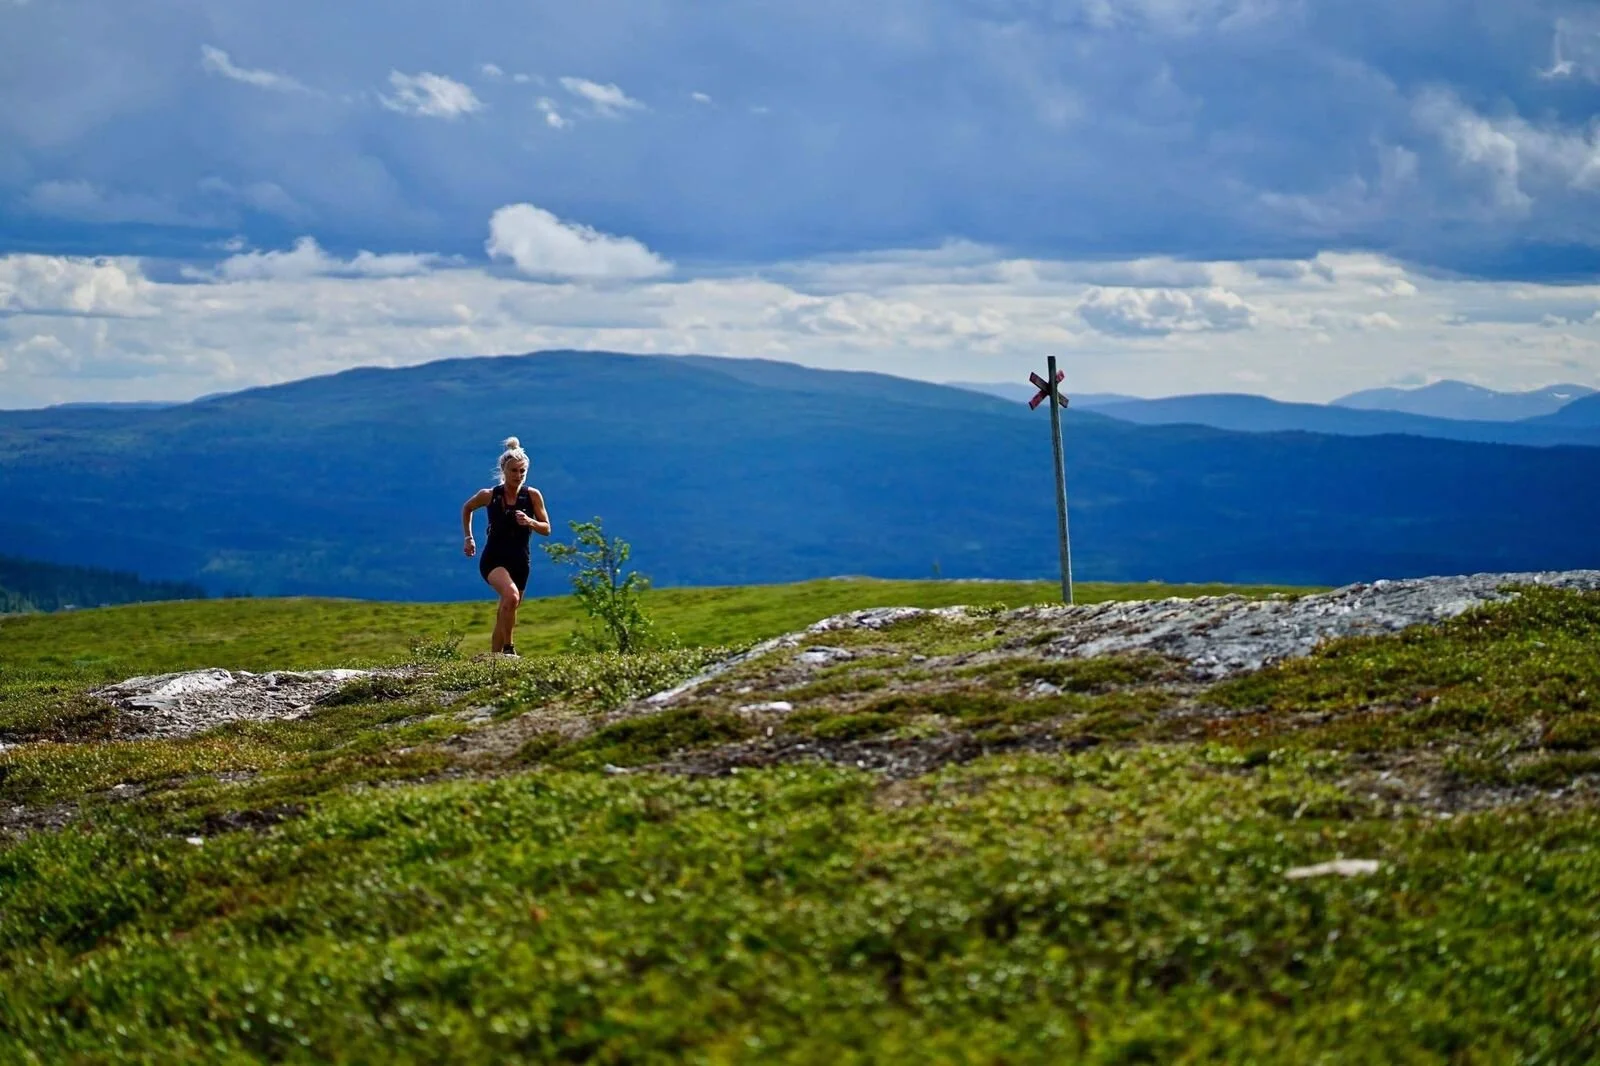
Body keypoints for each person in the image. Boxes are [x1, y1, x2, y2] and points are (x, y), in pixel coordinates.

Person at [461, 437, 551, 656]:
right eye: (513, 471)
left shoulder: (532, 495)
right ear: (503, 470)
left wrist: (530, 522)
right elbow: (467, 508)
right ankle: (509, 650)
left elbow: (546, 528)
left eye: (522, 471)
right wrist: (469, 537)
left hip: (521, 560)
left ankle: (494, 660)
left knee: (507, 610)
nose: (518, 475)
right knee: (511, 597)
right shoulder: (489, 495)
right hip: (494, 559)